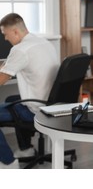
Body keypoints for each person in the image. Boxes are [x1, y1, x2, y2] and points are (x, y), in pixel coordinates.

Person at [0, 13, 59, 169]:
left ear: (15, 32)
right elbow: (7, 67)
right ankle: (26, 150)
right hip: (51, 104)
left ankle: (7, 163)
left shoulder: (20, 50)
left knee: (12, 105)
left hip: (35, 110)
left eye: (5, 34)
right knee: (10, 100)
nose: (5, 39)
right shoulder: (42, 42)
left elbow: (1, 80)